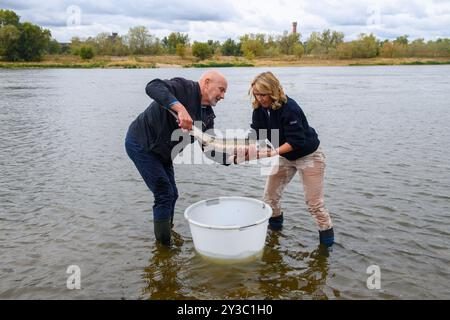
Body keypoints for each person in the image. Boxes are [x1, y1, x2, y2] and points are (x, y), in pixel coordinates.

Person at [125, 70, 229, 246]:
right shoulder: (183, 87)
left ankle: (167, 234)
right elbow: (152, 86)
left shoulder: (207, 116)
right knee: (164, 193)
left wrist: (238, 158)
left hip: (164, 153)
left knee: (172, 194)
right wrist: (180, 109)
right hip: (141, 144)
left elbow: (210, 150)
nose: (223, 96)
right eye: (221, 89)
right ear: (207, 82)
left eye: (224, 92)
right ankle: (164, 246)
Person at [244, 71, 334, 247]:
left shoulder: (290, 108)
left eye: (263, 94)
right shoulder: (259, 110)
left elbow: (296, 141)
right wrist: (247, 149)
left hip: (309, 156)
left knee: (314, 203)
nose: (260, 98)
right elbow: (256, 132)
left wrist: (272, 152)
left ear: (273, 91)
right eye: (256, 94)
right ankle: (275, 234)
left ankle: (327, 248)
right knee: (270, 198)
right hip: (286, 156)